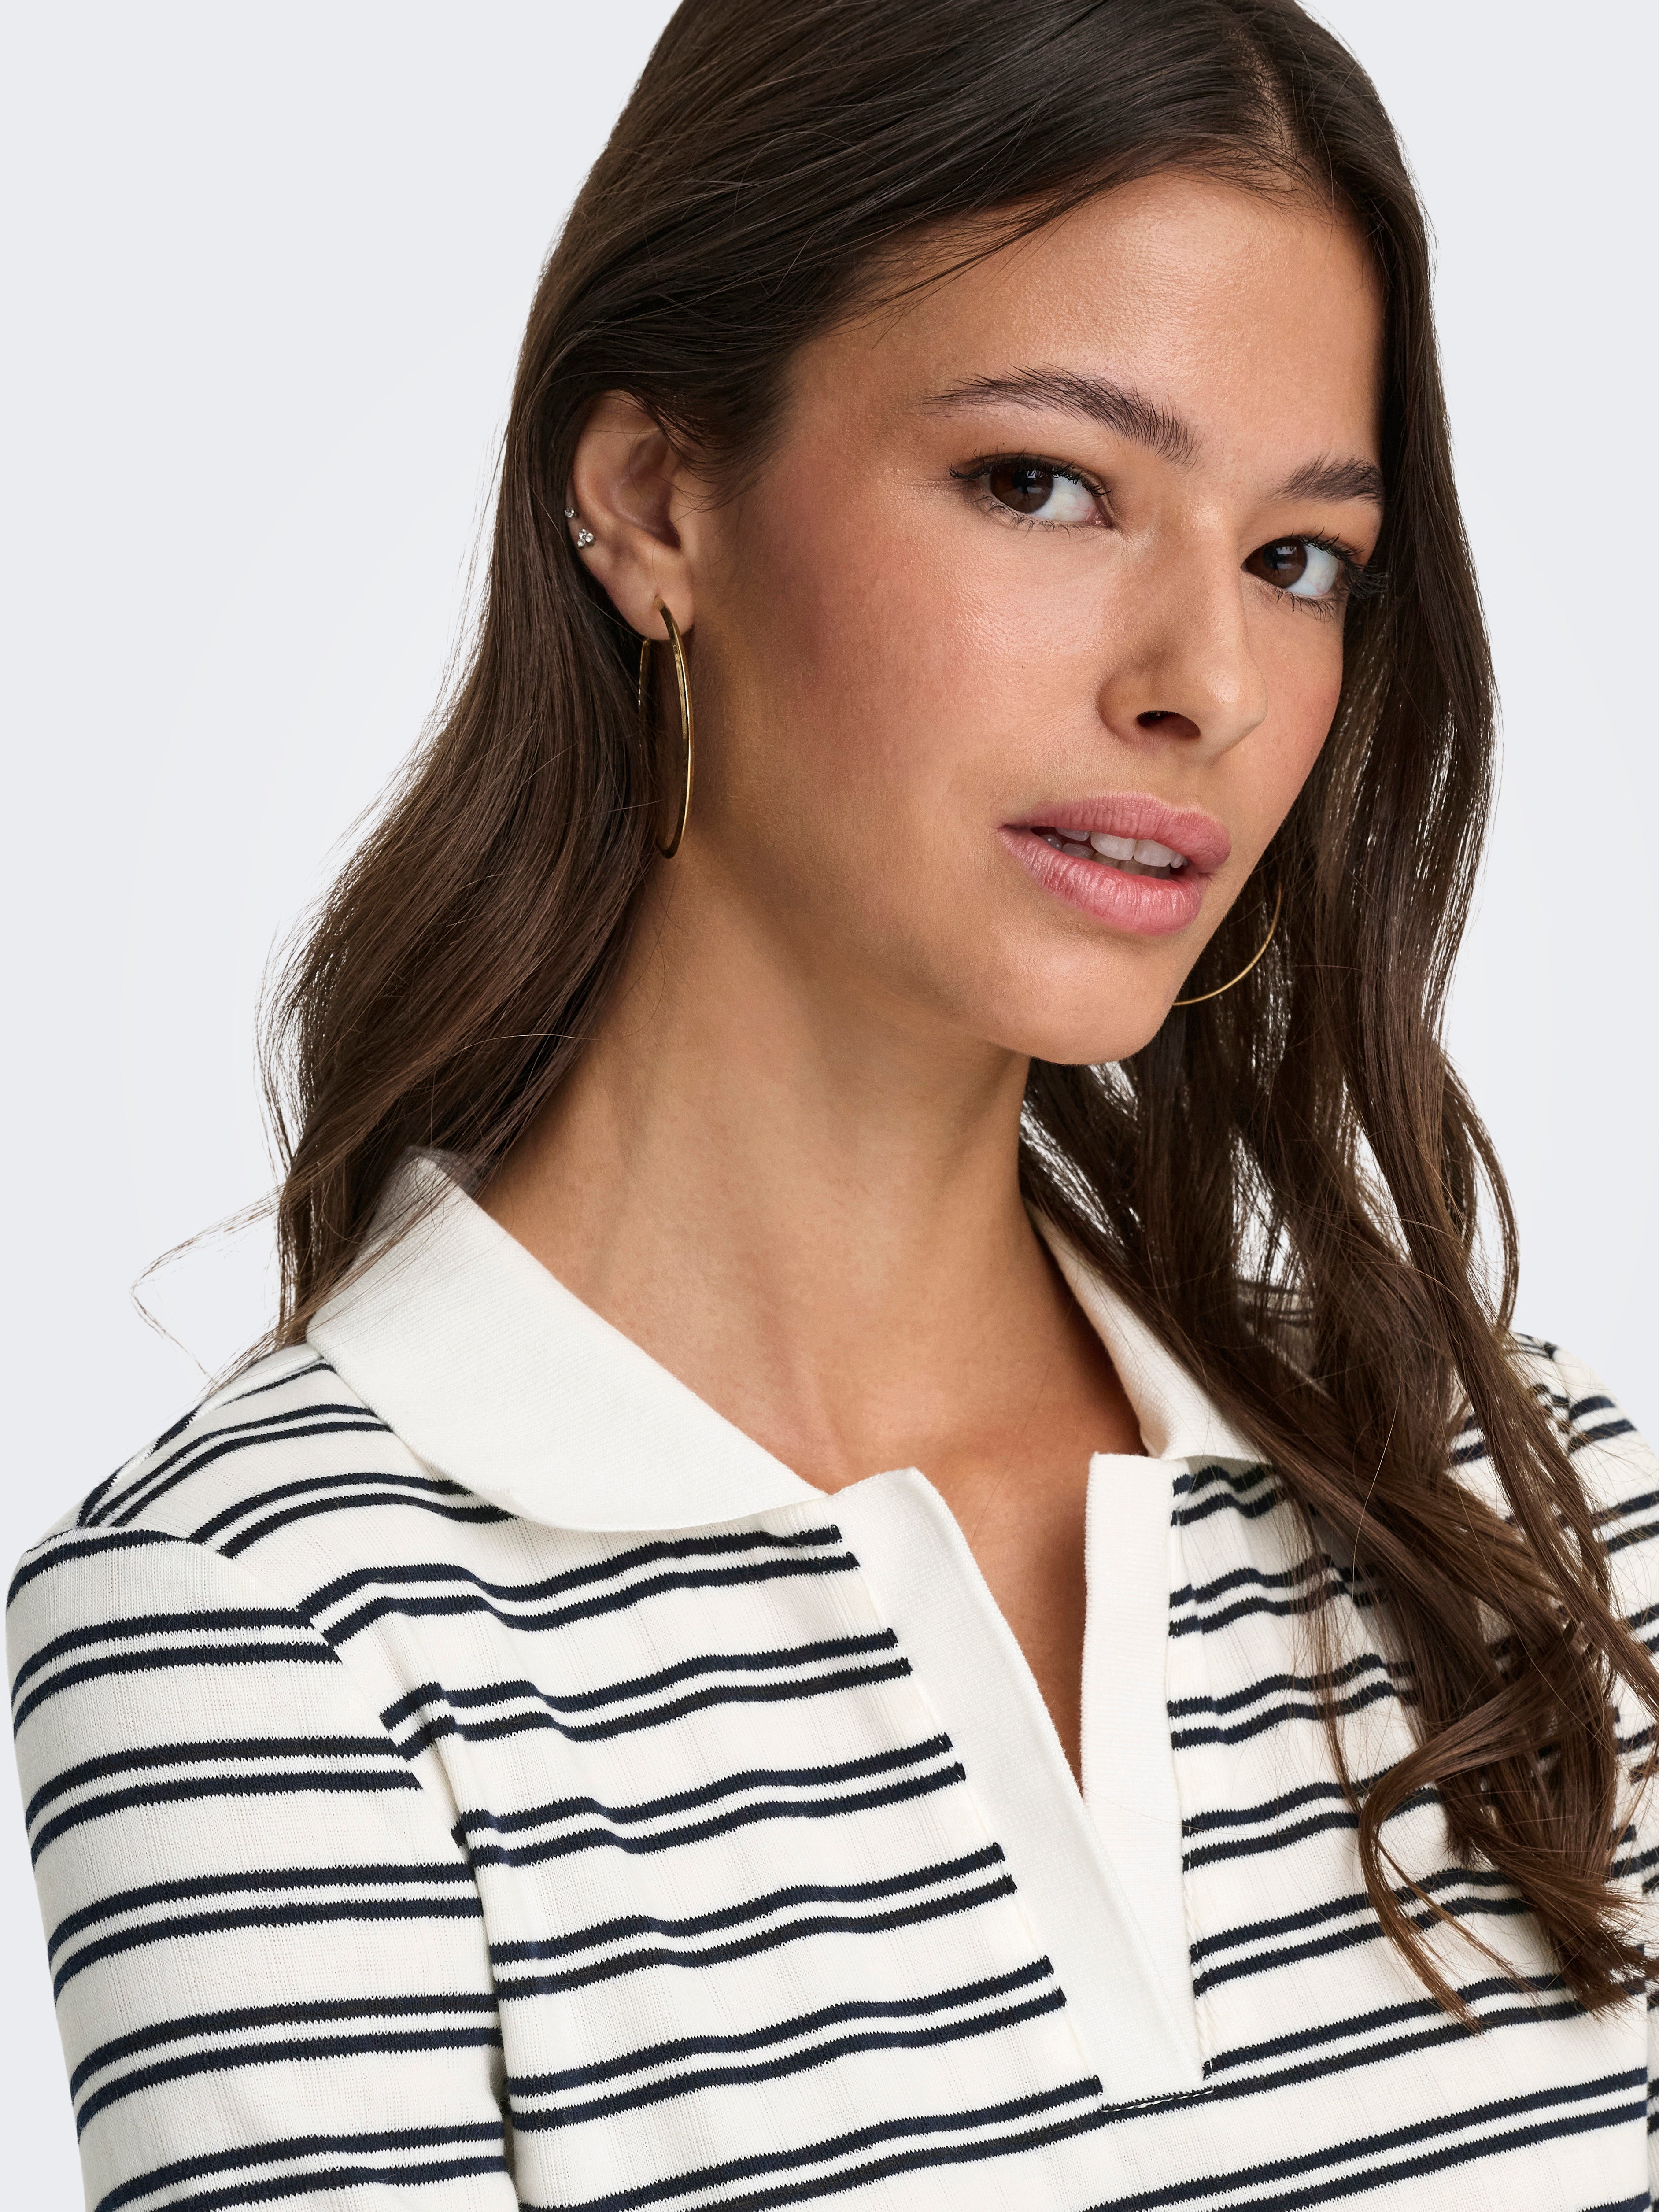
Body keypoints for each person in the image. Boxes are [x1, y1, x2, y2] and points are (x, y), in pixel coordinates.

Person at [11, 1, 1658, 2206]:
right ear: (653, 498)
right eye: (1043, 483)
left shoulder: (1521, 1507)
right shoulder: (272, 1632)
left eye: (1300, 559)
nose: (1207, 680)